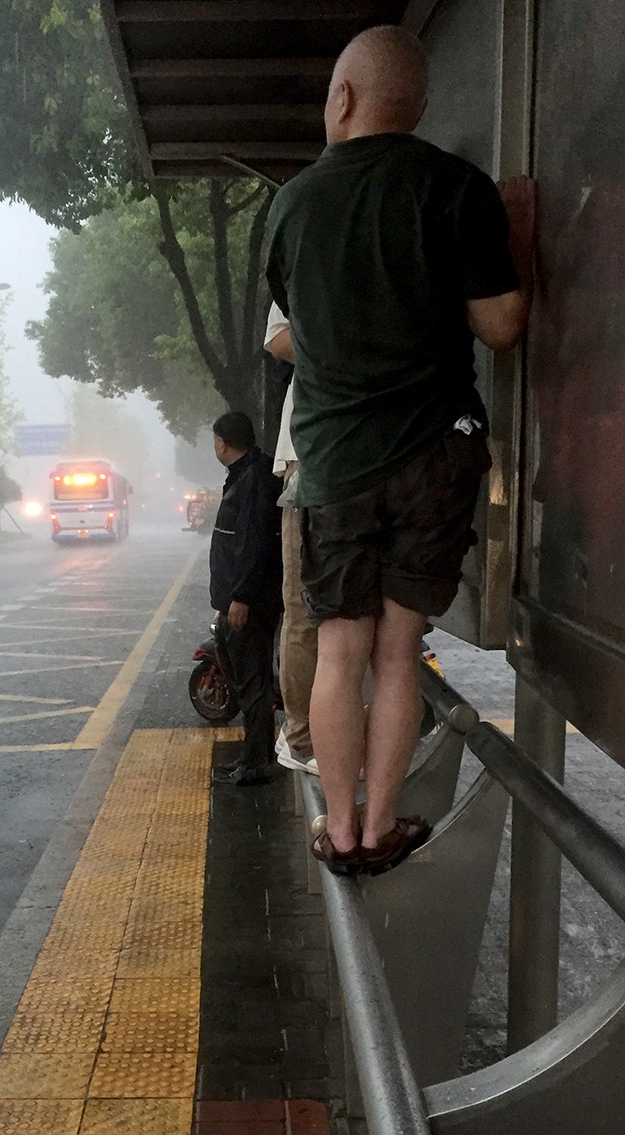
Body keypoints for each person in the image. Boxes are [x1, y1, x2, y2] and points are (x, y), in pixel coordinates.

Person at [265, 24, 534, 873]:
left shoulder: (291, 206)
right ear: (416, 104)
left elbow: (294, 337)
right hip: (435, 457)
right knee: (397, 649)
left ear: (343, 98)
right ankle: (382, 824)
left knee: (339, 652)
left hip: (335, 465)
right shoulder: (457, 188)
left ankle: (338, 831)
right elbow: (502, 326)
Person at [208, 411, 283, 786]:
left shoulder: (253, 479)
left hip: (248, 603)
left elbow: (253, 543)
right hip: (243, 599)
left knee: (253, 684)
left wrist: (241, 597)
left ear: (222, 442)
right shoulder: (248, 473)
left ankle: (256, 764)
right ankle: (254, 756)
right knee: (250, 682)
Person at [264, 302, 319, 776]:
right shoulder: (306, 246)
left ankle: (335, 733)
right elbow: (277, 337)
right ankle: (302, 737)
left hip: (378, 452)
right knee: (304, 608)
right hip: (309, 457)